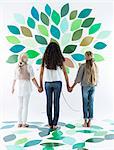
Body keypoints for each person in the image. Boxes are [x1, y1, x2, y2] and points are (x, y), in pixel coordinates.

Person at [38, 42, 70, 130]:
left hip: (47, 83)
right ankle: (55, 124)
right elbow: (65, 73)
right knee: (56, 103)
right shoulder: (60, 59)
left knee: (48, 103)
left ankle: (49, 123)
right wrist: (68, 85)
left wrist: (40, 85)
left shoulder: (44, 59)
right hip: (57, 83)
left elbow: (41, 74)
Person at [70, 51, 98, 127]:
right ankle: (90, 121)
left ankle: (85, 121)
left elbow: (78, 78)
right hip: (93, 86)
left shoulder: (83, 66)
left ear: (86, 57)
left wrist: (72, 86)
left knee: (85, 103)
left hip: (85, 86)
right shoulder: (95, 65)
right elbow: (97, 76)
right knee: (91, 103)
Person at [12, 53, 39, 128]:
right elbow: (33, 78)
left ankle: (19, 122)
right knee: (25, 105)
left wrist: (13, 87)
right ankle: (24, 123)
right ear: (25, 58)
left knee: (20, 106)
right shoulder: (29, 66)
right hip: (26, 86)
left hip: (18, 86)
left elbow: (14, 78)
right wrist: (38, 87)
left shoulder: (17, 66)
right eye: (26, 57)